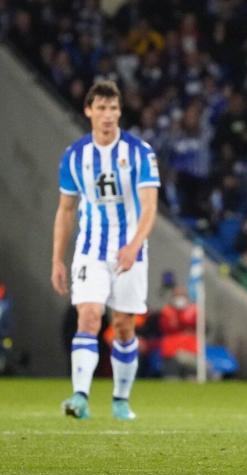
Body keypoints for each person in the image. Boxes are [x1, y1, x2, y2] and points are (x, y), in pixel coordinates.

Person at [51, 80, 159, 420]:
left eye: (113, 108)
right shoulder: (74, 156)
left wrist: (133, 245)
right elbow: (66, 210)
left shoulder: (140, 152)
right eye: (101, 108)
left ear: (120, 111)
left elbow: (149, 207)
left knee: (124, 326)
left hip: (130, 250)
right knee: (89, 315)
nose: (108, 115)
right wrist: (57, 258)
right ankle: (79, 396)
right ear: (88, 111)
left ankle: (120, 400)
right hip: (90, 249)